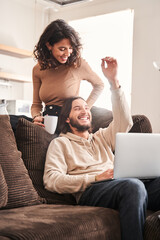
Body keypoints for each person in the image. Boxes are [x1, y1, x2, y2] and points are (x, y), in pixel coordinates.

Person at [43, 56, 160, 240]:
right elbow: (51, 180)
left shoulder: (101, 137)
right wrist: (95, 177)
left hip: (121, 184)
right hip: (93, 190)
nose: (84, 111)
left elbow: (124, 122)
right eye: (77, 109)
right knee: (134, 186)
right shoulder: (61, 143)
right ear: (67, 118)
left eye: (86, 107)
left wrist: (114, 83)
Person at [31, 19, 104, 128]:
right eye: (62, 49)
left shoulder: (78, 65)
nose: (67, 53)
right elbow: (36, 105)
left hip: (69, 124)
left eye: (70, 48)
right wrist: (36, 117)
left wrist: (84, 109)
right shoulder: (38, 69)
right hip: (47, 124)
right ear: (49, 45)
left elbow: (99, 85)